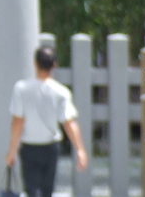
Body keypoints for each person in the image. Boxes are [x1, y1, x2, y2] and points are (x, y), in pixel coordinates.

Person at [5, 46, 89, 197]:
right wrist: (80, 150)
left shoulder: (21, 88)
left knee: (32, 190)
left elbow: (18, 121)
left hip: (29, 146)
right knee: (47, 190)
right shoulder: (61, 91)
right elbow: (69, 122)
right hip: (51, 147)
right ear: (54, 65)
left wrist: (12, 150)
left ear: (35, 63)